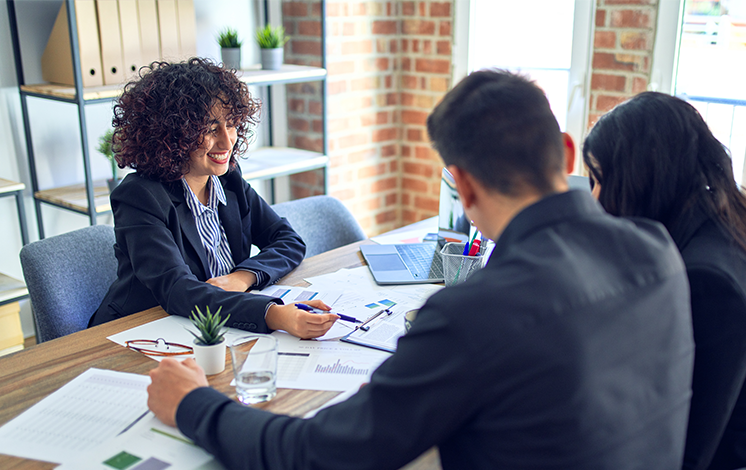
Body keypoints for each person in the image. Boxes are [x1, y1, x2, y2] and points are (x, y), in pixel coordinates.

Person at [147, 70, 695, 469]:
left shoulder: (474, 313)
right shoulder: (657, 250)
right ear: (569, 152)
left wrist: (195, 405)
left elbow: (322, 455)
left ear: (462, 183)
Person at [583, 91, 746, 470]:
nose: (594, 198)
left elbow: (681, 450)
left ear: (641, 180)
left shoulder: (710, 282)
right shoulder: (726, 238)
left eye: (599, 180)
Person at [90, 58, 337, 339]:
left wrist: (243, 277)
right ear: (172, 134)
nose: (226, 141)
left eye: (231, 124)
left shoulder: (228, 180)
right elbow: (178, 291)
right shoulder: (139, 197)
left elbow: (288, 240)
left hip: (212, 327)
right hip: (139, 332)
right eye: (209, 128)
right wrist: (272, 313)